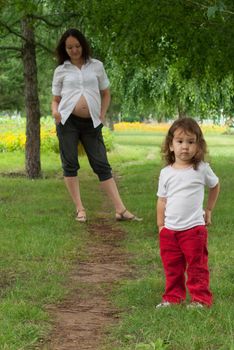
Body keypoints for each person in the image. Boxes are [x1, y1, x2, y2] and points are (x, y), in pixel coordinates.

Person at [51, 28, 141, 223]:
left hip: (92, 121)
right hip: (67, 121)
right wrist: (55, 112)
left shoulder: (97, 66)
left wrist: (101, 115)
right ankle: (80, 209)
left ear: (83, 45)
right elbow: (55, 99)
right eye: (69, 47)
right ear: (64, 49)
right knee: (70, 164)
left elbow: (106, 93)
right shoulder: (61, 70)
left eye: (77, 46)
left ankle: (120, 210)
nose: (74, 50)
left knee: (101, 164)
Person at [156, 117, 220, 308]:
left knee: (197, 266)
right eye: (180, 141)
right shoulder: (166, 173)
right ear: (171, 145)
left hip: (193, 230)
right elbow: (162, 200)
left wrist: (208, 210)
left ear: (198, 145)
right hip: (170, 230)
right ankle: (173, 297)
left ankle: (200, 299)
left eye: (191, 142)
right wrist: (161, 226)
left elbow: (215, 186)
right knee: (172, 267)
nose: (185, 147)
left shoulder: (201, 169)